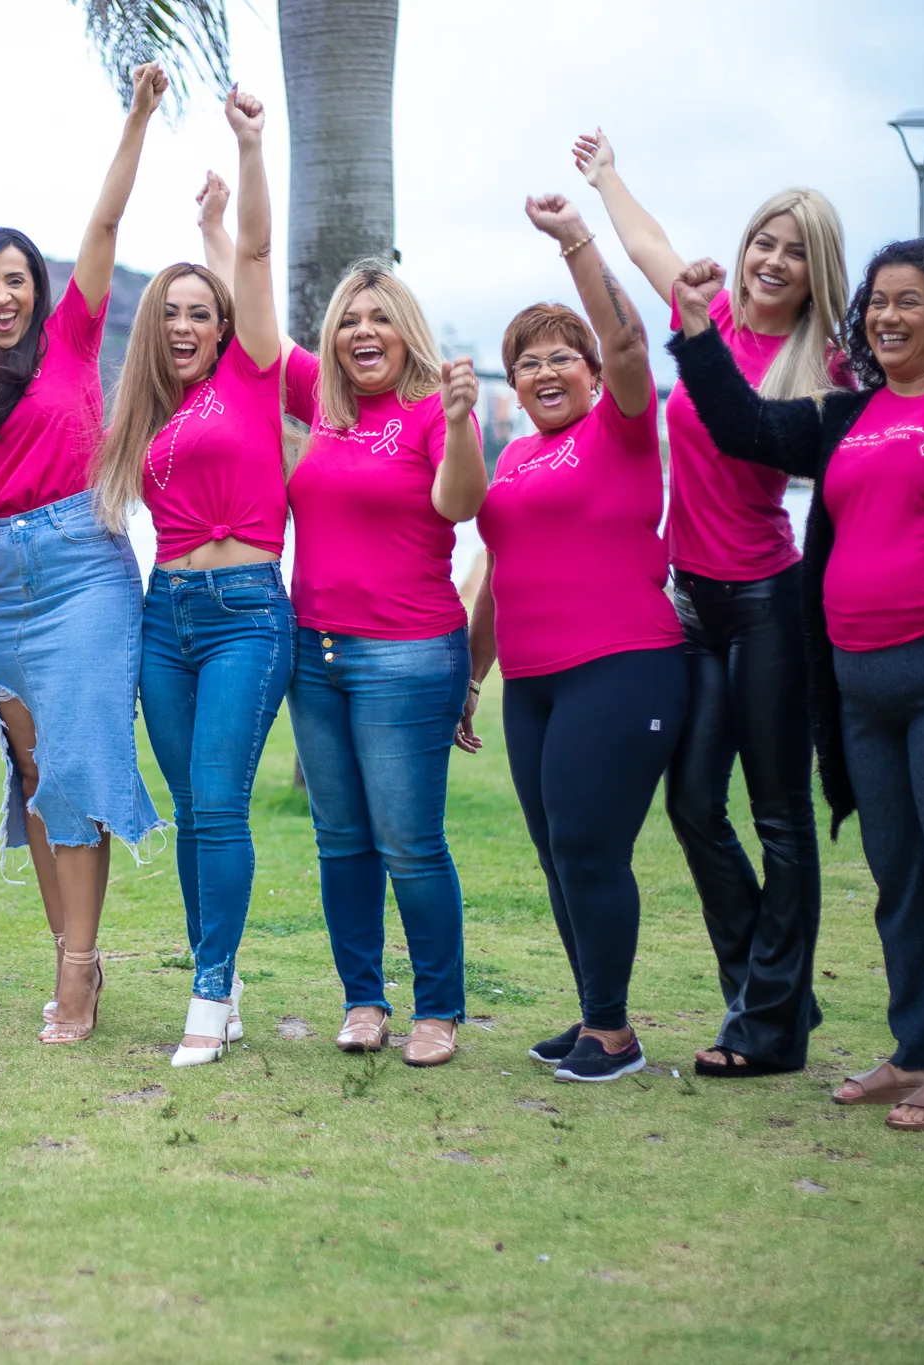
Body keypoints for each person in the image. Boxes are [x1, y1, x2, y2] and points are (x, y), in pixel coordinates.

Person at [671, 240, 924, 1131]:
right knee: (899, 878)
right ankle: (915, 1049)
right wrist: (696, 328)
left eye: (909, 302)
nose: (886, 317)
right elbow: (746, 428)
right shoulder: (849, 414)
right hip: (858, 685)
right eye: (877, 303)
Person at [0, 66, 171, 1044]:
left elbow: (101, 228)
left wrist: (135, 117)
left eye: (13, 278)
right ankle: (68, 959)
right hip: (1, 576)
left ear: (35, 288)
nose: (1, 295)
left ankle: (79, 972)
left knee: (82, 768)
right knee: (36, 770)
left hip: (87, 565)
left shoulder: (73, 338)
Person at [576, 129, 845, 1078]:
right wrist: (607, 178)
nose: (773, 261)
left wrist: (692, 328)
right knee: (692, 803)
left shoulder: (823, 372)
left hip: (768, 602)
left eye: (796, 251)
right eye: (765, 241)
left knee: (779, 816)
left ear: (820, 275)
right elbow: (649, 244)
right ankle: (772, 988)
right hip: (692, 604)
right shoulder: (714, 312)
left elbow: (753, 430)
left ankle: (767, 1025)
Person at [468, 194, 686, 1084]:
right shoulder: (514, 460)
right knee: (561, 851)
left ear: (594, 373)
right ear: (511, 384)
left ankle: (615, 1033)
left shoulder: (621, 428)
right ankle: (598, 1010)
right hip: (534, 682)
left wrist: (576, 245)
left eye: (563, 356)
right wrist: (469, 675)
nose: (545, 370)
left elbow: (632, 342)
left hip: (622, 667)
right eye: (528, 361)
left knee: (593, 847)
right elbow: (493, 572)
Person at [94, 87, 288, 1068]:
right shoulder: (153, 422)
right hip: (162, 618)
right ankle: (222, 974)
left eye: (197, 311)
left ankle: (208, 993)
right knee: (192, 815)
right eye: (167, 312)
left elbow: (251, 261)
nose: (182, 324)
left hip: (246, 618)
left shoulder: (253, 375)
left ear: (220, 326)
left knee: (216, 803)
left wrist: (247, 153)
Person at [282, 264, 488, 1066]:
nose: (363, 332)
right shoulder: (323, 408)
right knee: (341, 841)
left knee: (409, 842)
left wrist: (465, 420)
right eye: (348, 321)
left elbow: (461, 503)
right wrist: (224, 219)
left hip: (406, 655)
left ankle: (438, 1009)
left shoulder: (435, 409)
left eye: (380, 318)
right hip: (315, 649)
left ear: (409, 331)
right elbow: (259, 322)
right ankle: (363, 999)